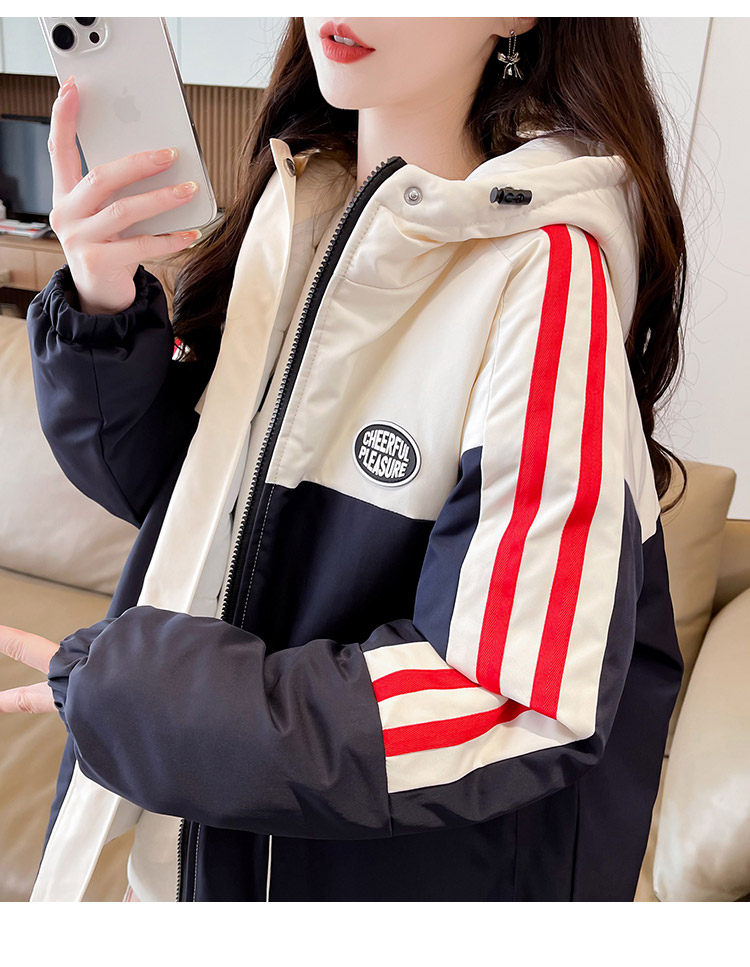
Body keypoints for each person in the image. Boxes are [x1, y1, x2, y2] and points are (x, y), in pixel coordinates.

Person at [0, 17, 686, 902]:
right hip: (199, 858)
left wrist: (153, 698)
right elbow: (182, 507)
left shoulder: (544, 276)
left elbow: (513, 698)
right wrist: (100, 302)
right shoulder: (296, 210)